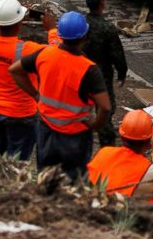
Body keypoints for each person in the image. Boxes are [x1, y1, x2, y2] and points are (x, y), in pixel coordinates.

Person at [9, 11, 112, 180]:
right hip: (75, 133)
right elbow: (106, 107)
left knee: (46, 176)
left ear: (61, 36)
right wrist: (95, 125)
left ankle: (45, 203)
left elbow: (15, 70)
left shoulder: (45, 54)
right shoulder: (88, 69)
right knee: (73, 180)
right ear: (85, 36)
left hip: (46, 127)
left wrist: (35, 95)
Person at [0, 0, 54, 160]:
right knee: (18, 157)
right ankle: (10, 183)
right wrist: (52, 29)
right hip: (21, 112)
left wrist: (14, 15)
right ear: (19, 23)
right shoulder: (27, 49)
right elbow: (57, 53)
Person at [83, 0, 128, 146]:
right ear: (103, 3)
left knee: (83, 106)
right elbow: (117, 54)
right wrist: (122, 74)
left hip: (81, 72)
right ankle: (107, 145)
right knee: (106, 108)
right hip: (102, 75)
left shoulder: (82, 23)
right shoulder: (107, 28)